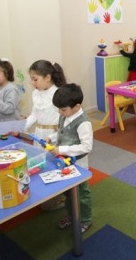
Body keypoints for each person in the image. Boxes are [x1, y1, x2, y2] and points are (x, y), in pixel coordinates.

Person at [24, 60, 67, 211]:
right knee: (40, 165)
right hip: (39, 133)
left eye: (35, 79)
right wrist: (21, 127)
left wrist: (54, 135)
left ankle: (58, 196)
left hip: (53, 134)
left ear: (48, 77)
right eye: (31, 79)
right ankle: (46, 195)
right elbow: (34, 115)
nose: (32, 83)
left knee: (55, 165)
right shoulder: (36, 93)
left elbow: (64, 120)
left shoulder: (59, 93)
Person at [51, 84, 93, 233]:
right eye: (59, 109)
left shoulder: (83, 123)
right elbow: (63, 133)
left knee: (81, 194)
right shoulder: (65, 115)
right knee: (69, 192)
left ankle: (86, 220)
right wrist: (51, 138)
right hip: (65, 162)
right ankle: (72, 215)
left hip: (79, 164)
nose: (59, 112)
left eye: (63, 109)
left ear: (77, 107)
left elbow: (87, 147)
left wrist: (61, 149)